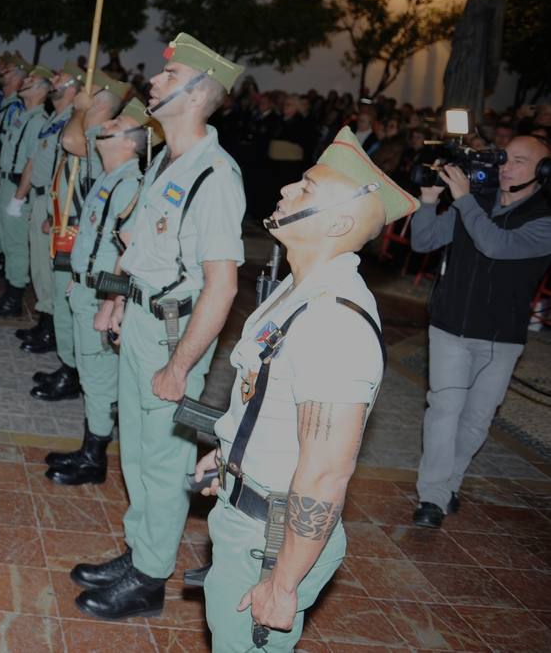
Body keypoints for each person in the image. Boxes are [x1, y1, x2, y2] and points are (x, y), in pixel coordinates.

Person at [192, 127, 416, 651]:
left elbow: (326, 473)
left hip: (271, 542)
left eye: (308, 188)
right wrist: (227, 455)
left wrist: (284, 581)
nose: (289, 188)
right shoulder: (298, 292)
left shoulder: (334, 321)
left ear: (339, 222)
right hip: (249, 520)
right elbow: (266, 398)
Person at [78, 33, 245, 620]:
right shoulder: (166, 160)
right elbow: (139, 245)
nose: (154, 81)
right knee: (138, 455)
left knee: (163, 462)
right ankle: (139, 552)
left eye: (169, 78)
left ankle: (149, 581)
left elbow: (221, 285)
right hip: (140, 321)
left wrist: (180, 366)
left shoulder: (214, 176)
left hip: (173, 337)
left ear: (199, 93)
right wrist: (115, 301)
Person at [410, 134, 551, 527]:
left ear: (542, 171)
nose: (507, 166)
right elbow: (423, 241)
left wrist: (465, 200)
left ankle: (449, 483)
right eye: (505, 157)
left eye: (520, 161)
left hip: (502, 338)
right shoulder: (477, 201)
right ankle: (432, 497)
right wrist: (427, 201)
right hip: (450, 326)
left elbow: (496, 245)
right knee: (444, 410)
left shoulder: (545, 219)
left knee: (475, 421)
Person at [44, 100, 148, 485]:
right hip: (87, 288)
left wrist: (110, 299)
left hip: (101, 296)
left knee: (100, 379)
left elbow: (130, 251)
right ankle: (90, 446)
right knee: (92, 375)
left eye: (115, 123)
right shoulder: (109, 176)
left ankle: (95, 458)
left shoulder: (129, 185)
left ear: (129, 143)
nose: (105, 126)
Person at [34, 75, 131, 405]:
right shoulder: (97, 138)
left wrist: (79, 110)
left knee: (73, 315)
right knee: (64, 310)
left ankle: (77, 375)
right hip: (68, 234)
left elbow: (71, 141)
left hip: (82, 243)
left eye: (95, 102)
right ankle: (69, 366)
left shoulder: (100, 142)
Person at [20, 63, 84, 357]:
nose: (53, 81)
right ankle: (45, 319)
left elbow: (69, 173)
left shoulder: (73, 124)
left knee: (49, 269)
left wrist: (54, 213)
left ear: (73, 88)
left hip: (54, 201)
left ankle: (51, 327)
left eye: (59, 77)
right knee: (39, 266)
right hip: (40, 196)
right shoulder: (55, 121)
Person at [0, 63, 50, 319]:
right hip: (7, 183)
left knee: (16, 246)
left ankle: (13, 298)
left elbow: (31, 165)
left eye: (31, 80)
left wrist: (18, 199)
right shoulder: (24, 115)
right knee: (6, 239)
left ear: (40, 90)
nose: (26, 81)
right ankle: (9, 293)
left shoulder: (38, 121)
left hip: (18, 188)